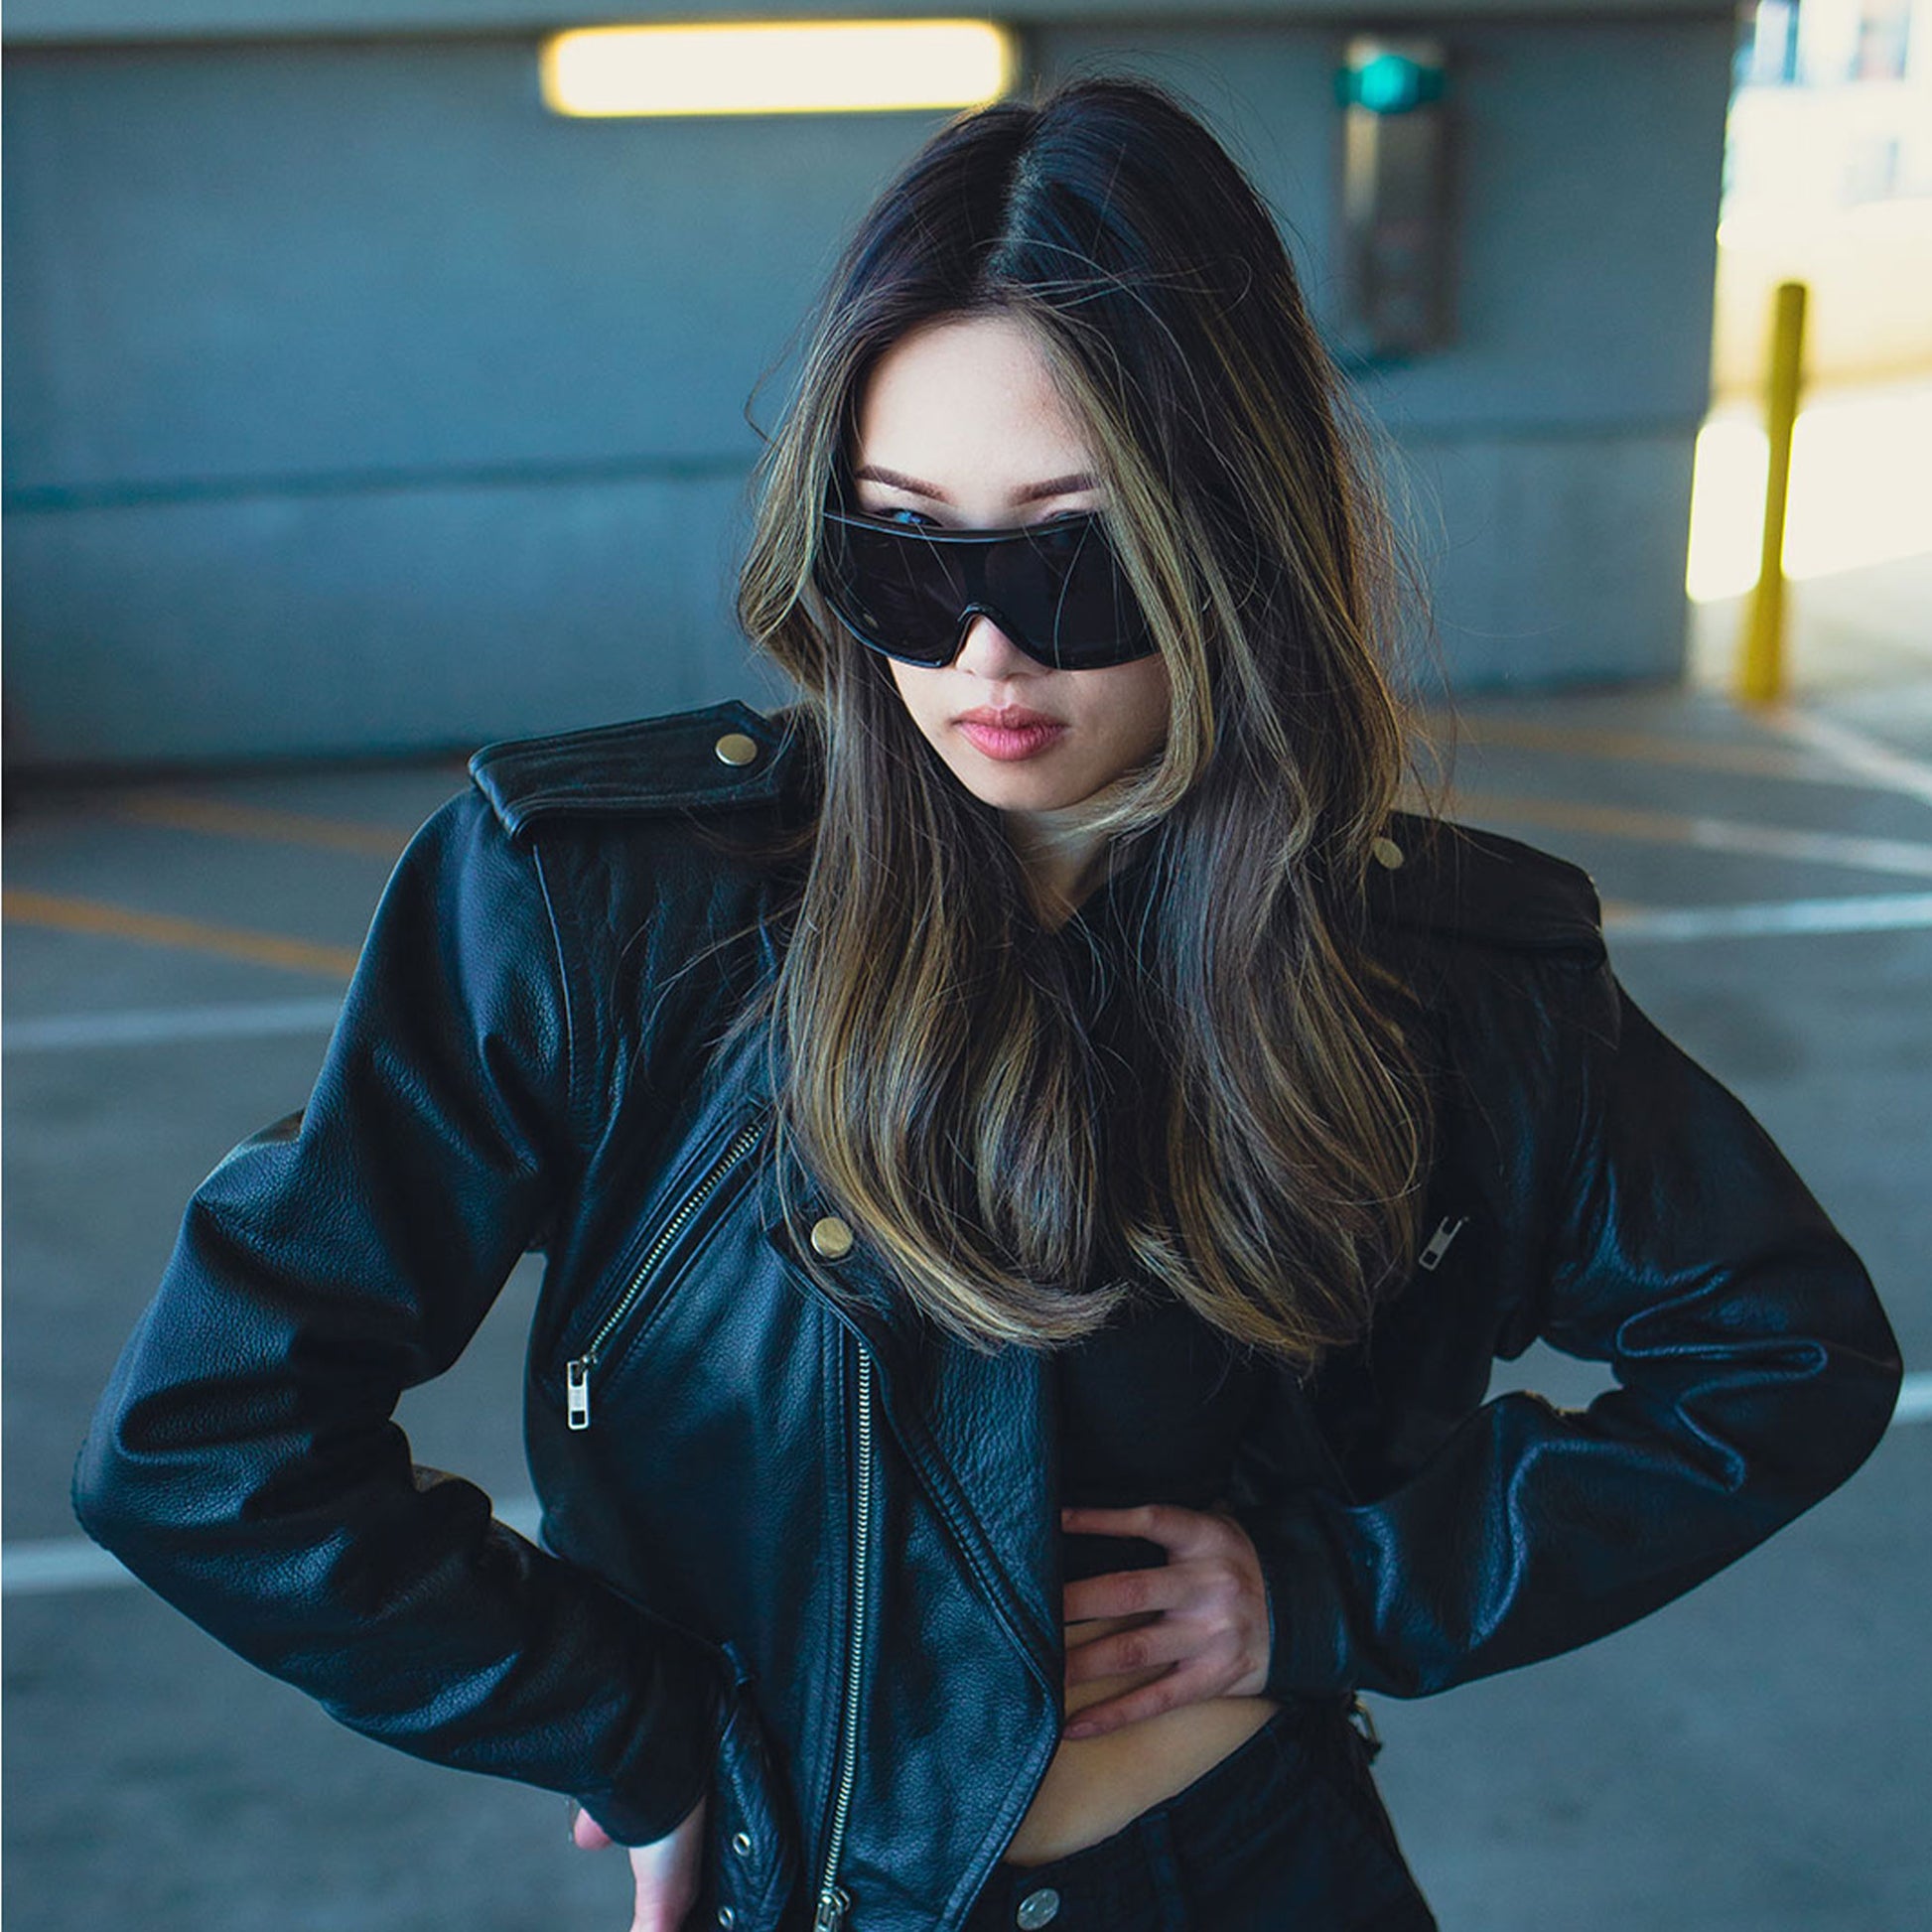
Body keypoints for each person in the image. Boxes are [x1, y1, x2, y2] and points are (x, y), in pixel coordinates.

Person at [74, 72, 1902, 1932]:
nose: (981, 651)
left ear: (1233, 540)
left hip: (1252, 1878)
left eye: (1072, 557)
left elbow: (1777, 1352)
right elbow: (208, 1438)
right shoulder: (594, 904)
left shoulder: (1438, 966)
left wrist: (1332, 1592)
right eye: (903, 553)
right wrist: (617, 1725)